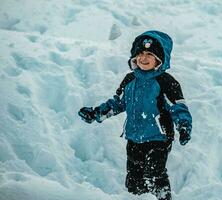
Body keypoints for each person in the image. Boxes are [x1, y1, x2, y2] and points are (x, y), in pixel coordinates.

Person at [78, 30, 192, 200]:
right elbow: (118, 103)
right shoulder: (129, 79)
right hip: (134, 137)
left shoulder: (166, 82)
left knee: (155, 174)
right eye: (140, 53)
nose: (143, 58)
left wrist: (183, 126)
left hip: (158, 138)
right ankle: (135, 197)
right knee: (134, 176)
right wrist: (96, 113)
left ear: (160, 59)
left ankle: (161, 197)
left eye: (149, 54)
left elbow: (178, 107)